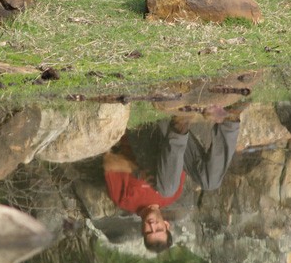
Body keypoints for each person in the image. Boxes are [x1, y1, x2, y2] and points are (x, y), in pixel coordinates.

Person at [103, 104, 246, 253]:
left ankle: (181, 122)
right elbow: (178, 158)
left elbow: (108, 161)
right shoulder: (173, 196)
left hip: (144, 134)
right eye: (158, 229)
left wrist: (138, 172)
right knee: (210, 182)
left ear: (142, 230)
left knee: (167, 189)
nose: (152, 225)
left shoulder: (124, 201)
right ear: (166, 225)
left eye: (148, 231)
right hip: (170, 132)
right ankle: (231, 118)